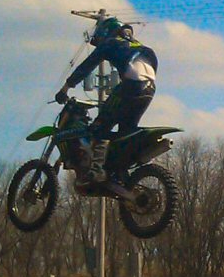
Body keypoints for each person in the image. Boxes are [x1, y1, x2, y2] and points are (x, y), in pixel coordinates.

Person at [54, 14, 158, 185]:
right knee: (125, 132)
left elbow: (87, 65)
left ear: (106, 32)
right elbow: (152, 70)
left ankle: (96, 170)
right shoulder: (145, 49)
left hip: (130, 86)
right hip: (149, 89)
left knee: (100, 124)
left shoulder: (111, 43)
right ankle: (119, 172)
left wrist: (66, 87)